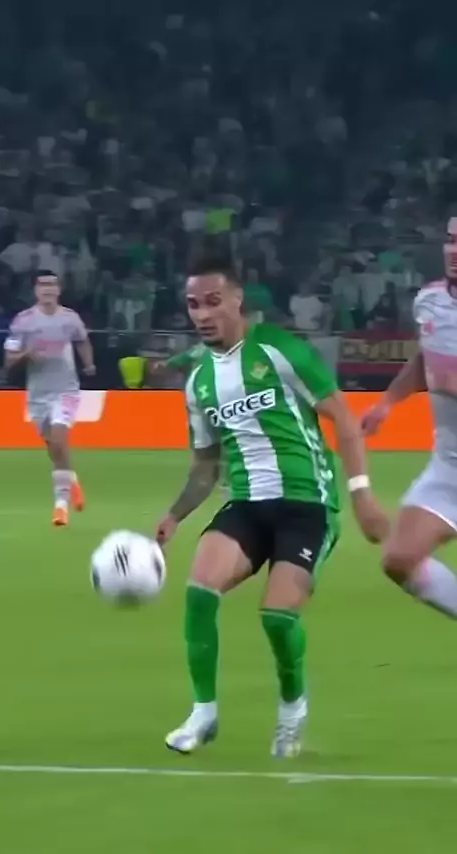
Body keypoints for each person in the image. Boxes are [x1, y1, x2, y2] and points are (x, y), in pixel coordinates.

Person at [155, 253, 388, 758]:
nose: (202, 314)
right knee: (199, 589)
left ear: (237, 299)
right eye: (193, 304)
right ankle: (203, 712)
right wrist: (175, 514)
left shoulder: (280, 350)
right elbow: (205, 465)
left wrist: (362, 493)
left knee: (278, 617)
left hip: (307, 504)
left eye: (213, 301)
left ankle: (292, 705)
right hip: (247, 505)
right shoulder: (199, 382)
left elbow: (344, 420)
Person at [361, 217, 457, 618]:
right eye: (451, 240)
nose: (454, 251)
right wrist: (387, 402)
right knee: (400, 559)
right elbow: (424, 359)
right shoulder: (430, 301)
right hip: (450, 467)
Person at [3, 271, 96, 526]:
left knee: (59, 438)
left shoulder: (70, 318)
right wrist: (26, 354)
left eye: (52, 284)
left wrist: (89, 363)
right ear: (35, 290)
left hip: (66, 391)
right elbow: (9, 359)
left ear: (59, 290)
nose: (48, 289)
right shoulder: (23, 321)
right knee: (54, 447)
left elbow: (82, 341)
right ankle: (71, 479)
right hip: (38, 395)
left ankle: (60, 506)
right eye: (43, 284)